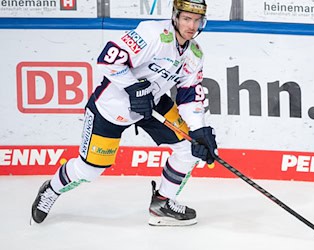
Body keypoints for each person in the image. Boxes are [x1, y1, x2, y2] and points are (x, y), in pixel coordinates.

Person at [31, 0, 217, 227]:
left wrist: (199, 130)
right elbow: (107, 58)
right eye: (187, 19)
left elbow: (189, 96)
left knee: (189, 148)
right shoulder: (153, 34)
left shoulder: (194, 54)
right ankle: (51, 189)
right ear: (176, 17)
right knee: (89, 170)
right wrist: (133, 87)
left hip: (153, 103)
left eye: (197, 20)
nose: (192, 26)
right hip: (112, 107)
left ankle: (162, 202)